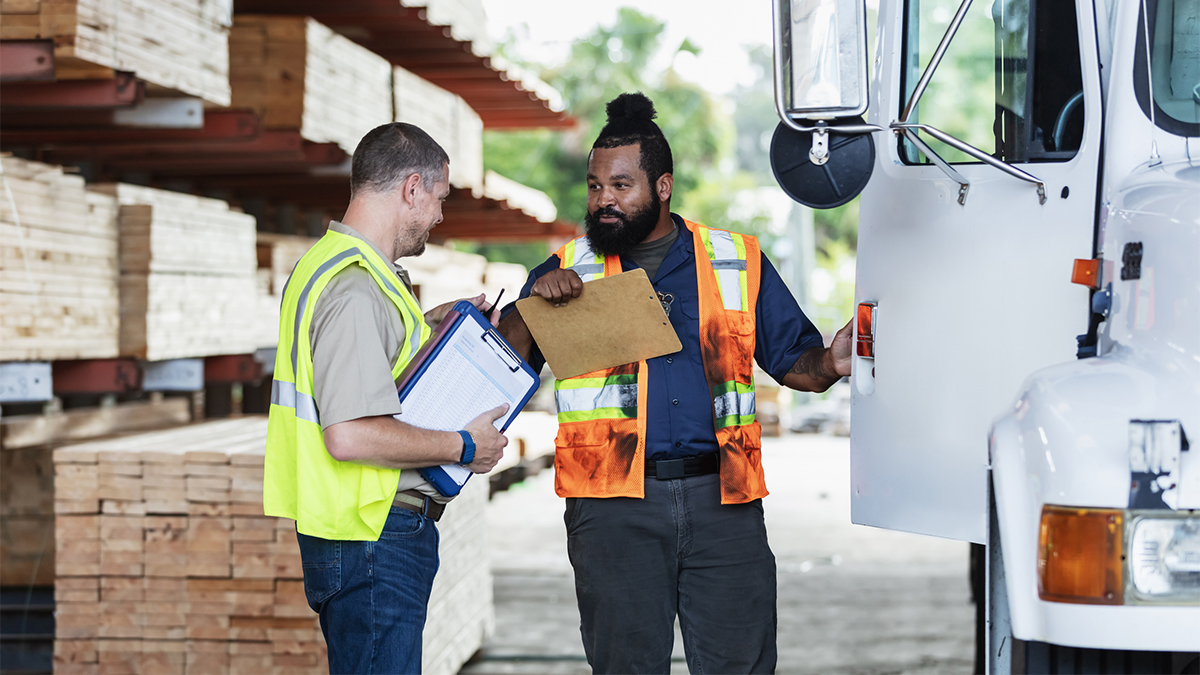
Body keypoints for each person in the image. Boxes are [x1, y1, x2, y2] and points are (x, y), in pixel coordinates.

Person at [498, 93, 854, 674]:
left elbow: (796, 362)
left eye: (620, 186)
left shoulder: (734, 259)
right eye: (594, 187)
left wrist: (832, 362)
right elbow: (504, 367)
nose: (603, 201)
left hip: (725, 504)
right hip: (613, 510)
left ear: (662, 187)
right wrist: (530, 305)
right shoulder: (569, 268)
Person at [263, 122, 509, 675]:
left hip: (354, 530)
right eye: (440, 200)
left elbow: (360, 365)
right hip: (372, 532)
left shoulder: (331, 266)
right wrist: (464, 445)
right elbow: (349, 434)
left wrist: (430, 325)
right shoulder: (356, 288)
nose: (440, 217)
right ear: (412, 188)